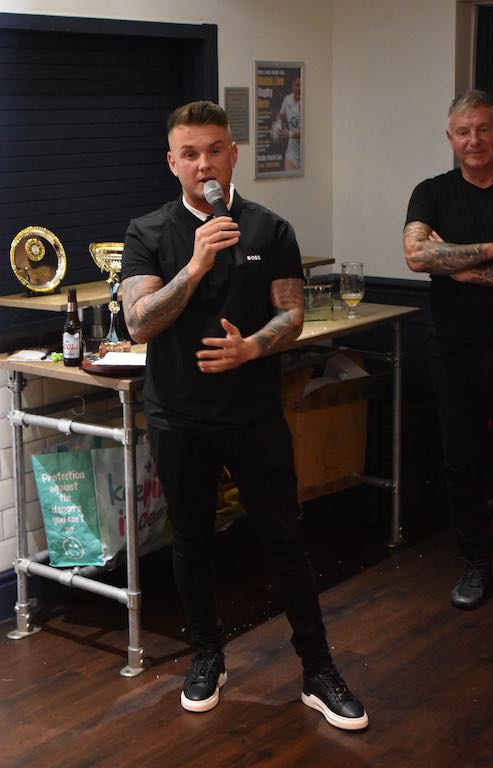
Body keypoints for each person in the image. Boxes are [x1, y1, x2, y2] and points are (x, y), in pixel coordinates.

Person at [121, 101, 368, 730]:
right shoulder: (148, 233)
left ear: (233, 154)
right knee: (191, 540)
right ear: (172, 162)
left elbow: (292, 314)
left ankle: (318, 670)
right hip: (179, 415)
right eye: (190, 153)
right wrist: (196, 263)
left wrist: (252, 348)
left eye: (215, 150)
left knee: (284, 538)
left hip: (254, 413)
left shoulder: (269, 229)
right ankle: (208, 655)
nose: (204, 164)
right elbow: (138, 322)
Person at [403, 89, 493, 611]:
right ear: (450, 138)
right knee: (461, 463)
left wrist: (458, 266)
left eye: (483, 129)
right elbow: (416, 256)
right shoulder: (431, 192)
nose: (474, 140)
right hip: (451, 351)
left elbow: (436, 257)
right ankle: (475, 565)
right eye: (464, 131)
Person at [273, 77, 301, 171]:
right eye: (297, 85)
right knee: (289, 176)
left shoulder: (305, 104)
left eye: (301, 86)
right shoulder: (287, 100)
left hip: (306, 153)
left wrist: (289, 134)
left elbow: (304, 132)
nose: (299, 88)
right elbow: (280, 115)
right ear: (292, 86)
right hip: (293, 152)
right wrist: (278, 123)